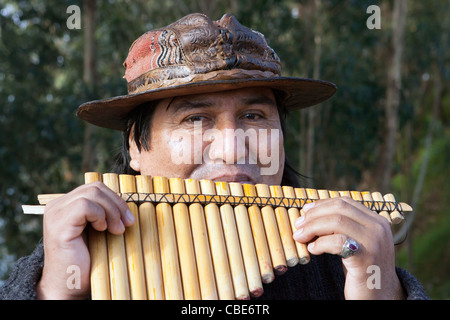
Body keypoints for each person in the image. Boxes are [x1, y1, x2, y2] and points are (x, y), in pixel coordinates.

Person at [1, 13, 429, 300]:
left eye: (254, 115)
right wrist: (55, 289)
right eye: (196, 119)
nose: (233, 146)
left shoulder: (348, 267)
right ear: (136, 145)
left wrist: (384, 291)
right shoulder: (69, 264)